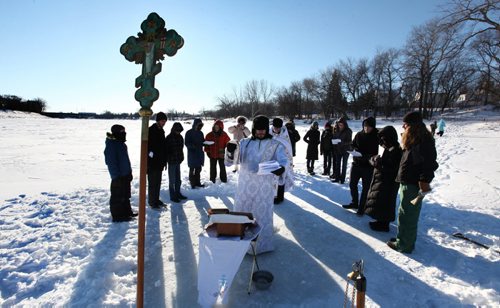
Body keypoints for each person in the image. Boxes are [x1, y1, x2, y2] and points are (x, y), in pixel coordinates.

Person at [228, 115, 289, 254]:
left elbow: (283, 160)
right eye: (258, 129)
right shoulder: (244, 143)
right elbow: (233, 160)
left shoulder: (275, 144)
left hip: (264, 187)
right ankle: (241, 245)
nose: (261, 132)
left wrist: (281, 168)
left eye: (263, 129)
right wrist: (231, 152)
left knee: (262, 214)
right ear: (254, 129)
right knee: (243, 212)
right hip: (245, 185)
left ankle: (262, 245)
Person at [387, 111, 438, 253]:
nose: (403, 127)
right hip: (407, 182)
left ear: (413, 126)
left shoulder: (423, 142)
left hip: (413, 185)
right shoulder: (415, 139)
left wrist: (423, 180)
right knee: (404, 214)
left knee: (407, 215)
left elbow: (429, 164)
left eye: (406, 125)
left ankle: (404, 245)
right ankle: (402, 239)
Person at [363, 126, 403, 232]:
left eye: (383, 139)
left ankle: (384, 224)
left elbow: (391, 167)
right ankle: (380, 221)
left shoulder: (396, 150)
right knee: (381, 201)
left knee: (387, 202)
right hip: (384, 179)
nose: (381, 142)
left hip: (389, 182)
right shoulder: (389, 147)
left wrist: (376, 163)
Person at [343, 116, 379, 215]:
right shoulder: (359, 134)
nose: (366, 128)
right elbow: (352, 144)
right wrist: (353, 148)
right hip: (356, 164)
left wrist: (365, 155)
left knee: (365, 187)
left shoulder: (376, 136)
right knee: (352, 184)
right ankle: (355, 203)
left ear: (373, 127)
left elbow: (376, 152)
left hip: (368, 166)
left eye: (369, 127)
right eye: (365, 126)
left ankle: (362, 207)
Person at [104, 124, 137, 222]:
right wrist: (115, 177)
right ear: (116, 133)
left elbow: (125, 160)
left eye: (124, 131)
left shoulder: (121, 143)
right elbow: (111, 162)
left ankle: (127, 212)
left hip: (125, 174)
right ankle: (118, 216)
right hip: (118, 176)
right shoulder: (112, 144)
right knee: (117, 196)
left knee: (126, 195)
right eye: (122, 132)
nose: (124, 134)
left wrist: (129, 172)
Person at [269, 118, 295, 204]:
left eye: (278, 128)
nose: (277, 129)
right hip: (272, 158)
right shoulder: (268, 133)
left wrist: (287, 161)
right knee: (271, 178)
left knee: (281, 177)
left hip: (282, 159)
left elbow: (288, 147)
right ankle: (271, 195)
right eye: (275, 127)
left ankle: (280, 197)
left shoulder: (285, 134)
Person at [148, 112, 167, 208]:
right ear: (158, 120)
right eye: (162, 121)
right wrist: (151, 154)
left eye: (165, 121)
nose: (164, 123)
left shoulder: (161, 130)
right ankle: (152, 202)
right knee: (152, 183)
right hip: (152, 162)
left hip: (160, 162)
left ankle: (156, 199)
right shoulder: (151, 130)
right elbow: (148, 145)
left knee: (158, 182)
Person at [165, 122, 187, 203]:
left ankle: (178, 193)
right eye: (177, 130)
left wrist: (181, 157)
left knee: (178, 179)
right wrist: (169, 157)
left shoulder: (180, 137)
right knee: (172, 180)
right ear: (174, 129)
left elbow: (181, 148)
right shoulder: (169, 138)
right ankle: (172, 196)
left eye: (179, 131)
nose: (178, 132)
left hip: (178, 161)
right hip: (171, 162)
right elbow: (166, 151)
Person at [185, 118, 205, 189]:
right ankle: (192, 183)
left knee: (198, 169)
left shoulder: (201, 133)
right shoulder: (189, 132)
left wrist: (205, 143)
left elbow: (203, 141)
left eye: (200, 126)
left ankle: (198, 182)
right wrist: (193, 146)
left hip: (199, 153)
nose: (199, 127)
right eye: (198, 125)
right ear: (195, 125)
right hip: (192, 154)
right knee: (192, 169)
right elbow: (186, 143)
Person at [332, 117, 352, 184]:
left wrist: (342, 142)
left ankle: (342, 179)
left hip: (346, 150)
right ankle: (337, 178)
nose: (340, 126)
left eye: (341, 125)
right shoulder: (336, 130)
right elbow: (334, 138)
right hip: (338, 150)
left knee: (344, 165)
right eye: (339, 124)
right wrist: (334, 143)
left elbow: (350, 141)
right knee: (337, 165)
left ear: (344, 124)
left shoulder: (348, 131)